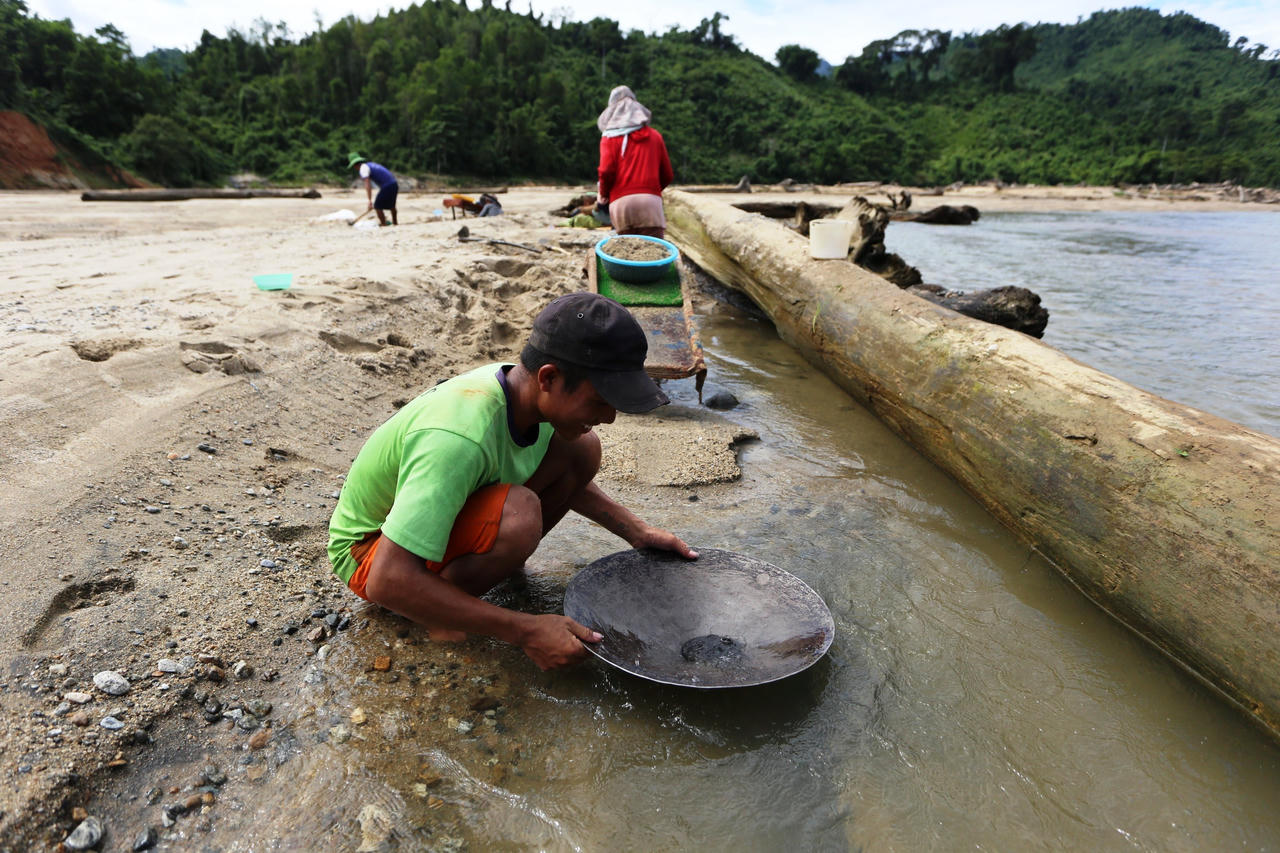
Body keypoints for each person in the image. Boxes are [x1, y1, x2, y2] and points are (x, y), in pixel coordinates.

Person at [327, 292, 698, 670]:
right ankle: (435, 610)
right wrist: (525, 630)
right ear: (549, 377)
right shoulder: (458, 437)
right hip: (371, 556)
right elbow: (387, 580)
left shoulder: (523, 394)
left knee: (582, 448)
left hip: (414, 540)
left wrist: (636, 531)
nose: (610, 417)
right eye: (600, 401)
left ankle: (477, 576)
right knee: (520, 515)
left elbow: (557, 474)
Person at [596, 86, 674, 238]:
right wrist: (651, 191)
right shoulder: (655, 136)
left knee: (627, 252)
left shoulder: (608, 138)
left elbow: (605, 172)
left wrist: (605, 195)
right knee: (655, 253)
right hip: (651, 204)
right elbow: (668, 175)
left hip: (621, 204)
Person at [348, 152, 398, 226]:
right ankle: (395, 223)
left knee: (377, 206)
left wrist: (369, 201)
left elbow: (368, 184)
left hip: (387, 185)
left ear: (355, 165)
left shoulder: (363, 169)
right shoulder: (370, 164)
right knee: (392, 206)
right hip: (394, 183)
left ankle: (383, 224)